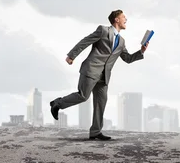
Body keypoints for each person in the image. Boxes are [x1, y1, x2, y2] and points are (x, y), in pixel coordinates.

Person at [49, 10, 148, 140]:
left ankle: (95, 131)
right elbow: (86, 41)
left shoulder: (122, 42)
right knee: (83, 96)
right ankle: (57, 103)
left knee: (101, 101)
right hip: (91, 69)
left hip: (104, 76)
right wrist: (71, 55)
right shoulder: (103, 30)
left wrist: (141, 51)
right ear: (116, 20)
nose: (126, 19)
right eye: (124, 17)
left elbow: (127, 58)